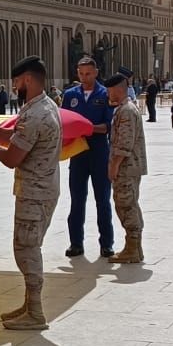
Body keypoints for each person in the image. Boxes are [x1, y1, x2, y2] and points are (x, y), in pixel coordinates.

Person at [0, 56, 61, 330]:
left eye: (16, 82)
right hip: (42, 188)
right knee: (28, 245)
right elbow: (17, 136)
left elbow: (13, 157)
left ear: (27, 79)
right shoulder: (45, 105)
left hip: (35, 192)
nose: (14, 87)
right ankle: (29, 304)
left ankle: (36, 312)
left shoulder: (36, 115)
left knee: (27, 248)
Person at [59, 55, 115, 259]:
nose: (84, 77)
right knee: (77, 200)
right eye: (81, 74)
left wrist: (87, 128)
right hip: (78, 152)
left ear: (96, 72)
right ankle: (76, 243)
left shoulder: (104, 94)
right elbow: (64, 121)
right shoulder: (70, 95)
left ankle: (106, 244)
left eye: (88, 73)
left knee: (103, 200)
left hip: (99, 152)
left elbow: (109, 126)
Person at [104, 72, 146, 264]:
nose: (107, 94)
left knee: (126, 205)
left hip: (126, 168)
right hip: (130, 167)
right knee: (130, 205)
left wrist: (114, 166)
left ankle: (132, 248)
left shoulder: (126, 111)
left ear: (118, 89)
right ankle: (135, 248)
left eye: (109, 90)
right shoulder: (125, 108)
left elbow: (124, 144)